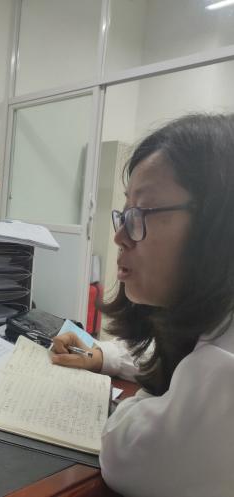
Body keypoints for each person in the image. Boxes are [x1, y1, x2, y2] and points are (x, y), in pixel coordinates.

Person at [51, 113, 234, 497]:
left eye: (141, 212)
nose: (119, 236)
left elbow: (129, 453)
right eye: (124, 213)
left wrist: (145, 399)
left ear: (217, 225)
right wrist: (101, 355)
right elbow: (174, 358)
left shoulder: (224, 372)